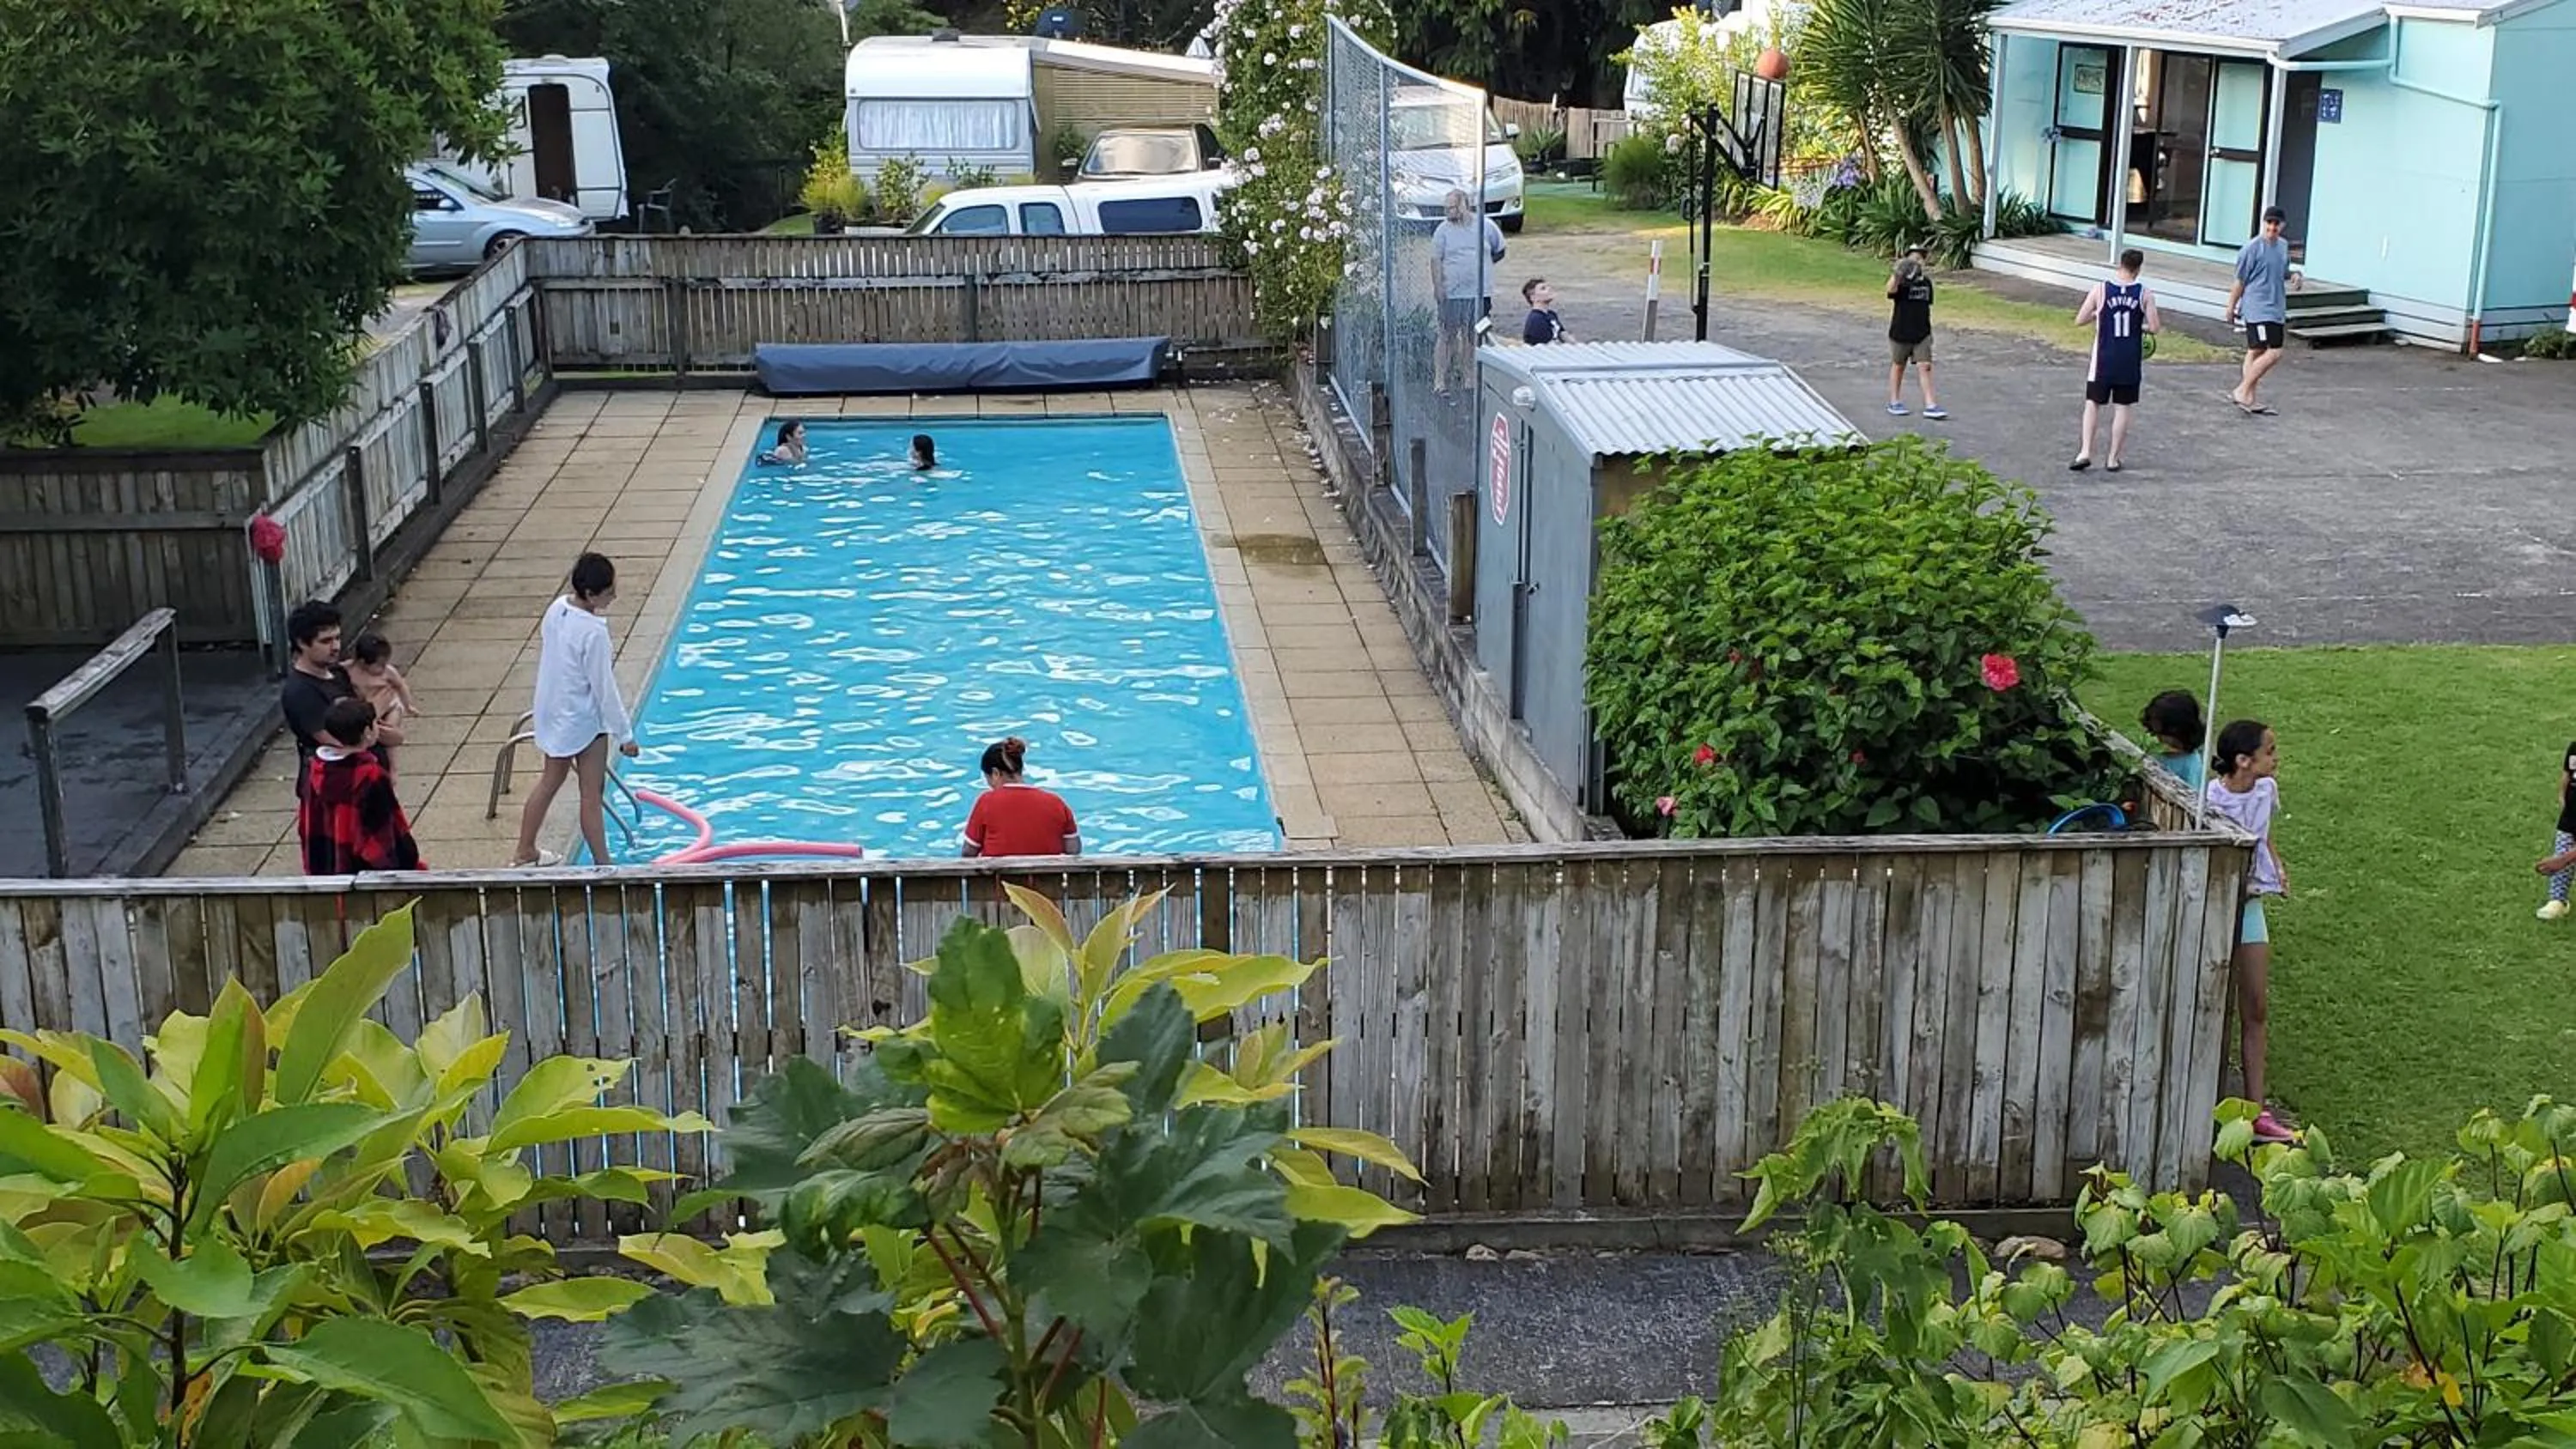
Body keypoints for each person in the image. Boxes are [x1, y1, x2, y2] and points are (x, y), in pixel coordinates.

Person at [511, 553, 641, 868]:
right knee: (590, 796)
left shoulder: (558, 607)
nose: (614, 596)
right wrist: (625, 735)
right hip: (584, 720)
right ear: (591, 594)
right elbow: (603, 688)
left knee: (549, 782)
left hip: (554, 712)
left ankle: (525, 850)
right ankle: (604, 865)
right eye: (609, 592)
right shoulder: (593, 632)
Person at [2204, 719, 2295, 1143]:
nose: (2276, 758)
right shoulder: (2208, 799)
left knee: (2256, 1005)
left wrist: (2277, 863)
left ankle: (2256, 1113)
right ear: (2244, 760)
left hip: (2252, 903)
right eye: (2270, 751)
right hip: (2217, 906)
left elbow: (2264, 835)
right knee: (2208, 1007)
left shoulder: (2266, 791)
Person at [281, 602, 402, 813]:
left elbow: (390, 736)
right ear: (302, 643)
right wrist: (375, 712)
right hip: (338, 793)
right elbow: (344, 744)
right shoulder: (301, 692)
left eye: (337, 637)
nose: (335, 646)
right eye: (326, 641)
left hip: (367, 784)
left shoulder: (339, 674)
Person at [298, 698, 424, 875]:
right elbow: (384, 830)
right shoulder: (370, 775)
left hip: (328, 864)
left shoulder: (315, 770)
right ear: (367, 732)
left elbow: (308, 822)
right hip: (364, 870)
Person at [2070, 249, 2160, 473]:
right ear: (2138, 269)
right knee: (2123, 408)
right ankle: (2112, 458)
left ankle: (2085, 452)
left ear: (2119, 265)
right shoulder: (2145, 294)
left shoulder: (2100, 289)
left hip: (2103, 358)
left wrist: (2097, 315)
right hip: (2129, 359)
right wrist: (2139, 326)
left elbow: (2080, 319)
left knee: (2093, 404)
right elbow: (2155, 327)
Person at [2224, 206, 2301, 415]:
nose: (2273, 227)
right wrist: (2231, 305)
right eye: (2269, 223)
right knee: (2274, 351)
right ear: (2264, 223)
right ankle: (2241, 390)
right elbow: (2240, 280)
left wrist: (2293, 276)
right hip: (2257, 308)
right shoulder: (2251, 248)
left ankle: (2248, 396)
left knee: (2256, 351)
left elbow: (2281, 270)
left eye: (2277, 224)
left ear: (2282, 226)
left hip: (2276, 306)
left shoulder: (2283, 247)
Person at [1431, 189, 1505, 396]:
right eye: (1446, 208)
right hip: (1452, 294)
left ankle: (1469, 379)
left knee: (1473, 335)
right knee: (1447, 335)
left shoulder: (1486, 226)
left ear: (1466, 205)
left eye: (1453, 207)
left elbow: (1499, 251)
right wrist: (1438, 287)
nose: (1449, 212)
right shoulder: (1442, 231)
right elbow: (1435, 260)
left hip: (1479, 294)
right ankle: (1440, 381)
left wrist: (1481, 270)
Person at [960, 737, 1081, 858]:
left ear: (995, 773)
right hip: (1047, 877)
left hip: (999, 877)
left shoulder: (986, 802)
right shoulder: (1056, 803)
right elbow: (1074, 849)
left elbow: (969, 852)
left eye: (988, 779)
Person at [1884, 245, 1946, 420]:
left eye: (1920, 259)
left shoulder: (1926, 283)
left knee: (1925, 366)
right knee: (1898, 365)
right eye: (1913, 259)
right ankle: (1895, 401)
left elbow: (1927, 305)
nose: (1917, 262)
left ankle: (1930, 404)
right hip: (1900, 331)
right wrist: (1897, 274)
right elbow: (1890, 290)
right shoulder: (1901, 282)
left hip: (1922, 332)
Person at [2532, 742, 2576, 920]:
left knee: (2563, 857)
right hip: (2571, 817)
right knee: (2563, 847)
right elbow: (2566, 777)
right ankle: (2557, 900)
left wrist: (2562, 861)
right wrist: (2564, 801)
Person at [343, 632, 417, 732]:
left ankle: (390, 741)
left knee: (389, 728)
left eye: (385, 663)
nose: (384, 668)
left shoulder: (388, 672)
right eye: (380, 665)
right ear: (362, 662)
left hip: (390, 706)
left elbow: (400, 686)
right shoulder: (350, 669)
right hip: (367, 706)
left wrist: (408, 705)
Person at [2138, 688, 2206, 791]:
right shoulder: (2154, 753)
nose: (2157, 739)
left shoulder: (2192, 766)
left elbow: (2194, 798)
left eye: (2161, 734)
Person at [1520, 277, 1567, 344]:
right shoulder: (1536, 319)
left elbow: (1563, 334)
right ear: (1533, 298)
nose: (1549, 289)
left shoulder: (1551, 314)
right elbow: (1545, 345)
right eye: (1543, 289)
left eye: (1549, 287)